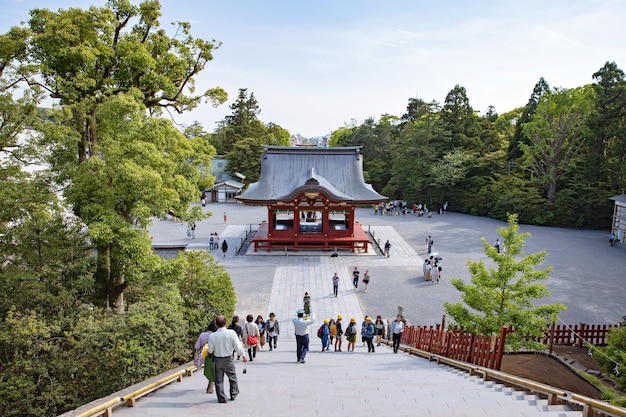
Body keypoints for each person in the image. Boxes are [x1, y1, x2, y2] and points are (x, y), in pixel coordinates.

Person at [208, 315, 248, 403]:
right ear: (226, 323)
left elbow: (210, 350)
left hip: (217, 359)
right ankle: (233, 393)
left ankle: (222, 397)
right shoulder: (231, 333)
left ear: (216, 325)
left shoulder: (212, 336)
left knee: (219, 380)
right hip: (228, 359)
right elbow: (237, 345)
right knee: (232, 377)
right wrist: (243, 355)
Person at [194, 319, 217, 394]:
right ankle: (210, 387)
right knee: (213, 371)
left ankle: (210, 386)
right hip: (214, 356)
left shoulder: (203, 335)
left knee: (209, 371)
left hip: (203, 357)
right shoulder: (216, 335)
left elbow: (197, 346)